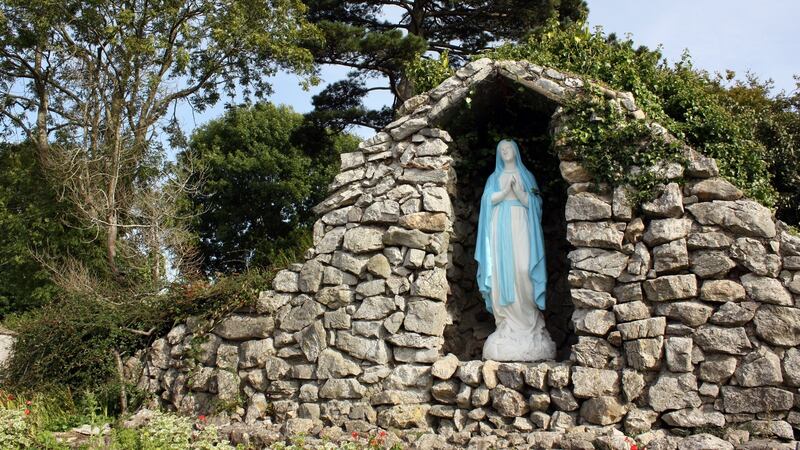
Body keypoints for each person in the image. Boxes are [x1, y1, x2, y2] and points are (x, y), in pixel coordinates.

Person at [475, 139, 556, 361]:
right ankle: (506, 325)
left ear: (516, 151)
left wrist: (520, 193)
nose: (505, 152)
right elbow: (486, 202)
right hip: (499, 229)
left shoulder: (526, 176)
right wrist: (503, 193)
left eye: (508, 148)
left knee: (523, 270)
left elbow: (535, 205)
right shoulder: (493, 178)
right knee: (503, 276)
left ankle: (529, 323)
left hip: (521, 225)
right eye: (501, 149)